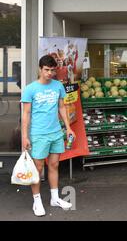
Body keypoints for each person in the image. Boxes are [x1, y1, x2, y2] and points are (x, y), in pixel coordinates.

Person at [21, 55, 75, 217]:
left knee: (54, 165)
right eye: (46, 70)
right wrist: (25, 136)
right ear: (40, 69)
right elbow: (26, 114)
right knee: (37, 168)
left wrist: (68, 128)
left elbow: (62, 108)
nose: (49, 73)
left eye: (52, 70)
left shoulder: (58, 86)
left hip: (56, 133)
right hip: (38, 134)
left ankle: (54, 198)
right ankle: (37, 201)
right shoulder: (30, 89)